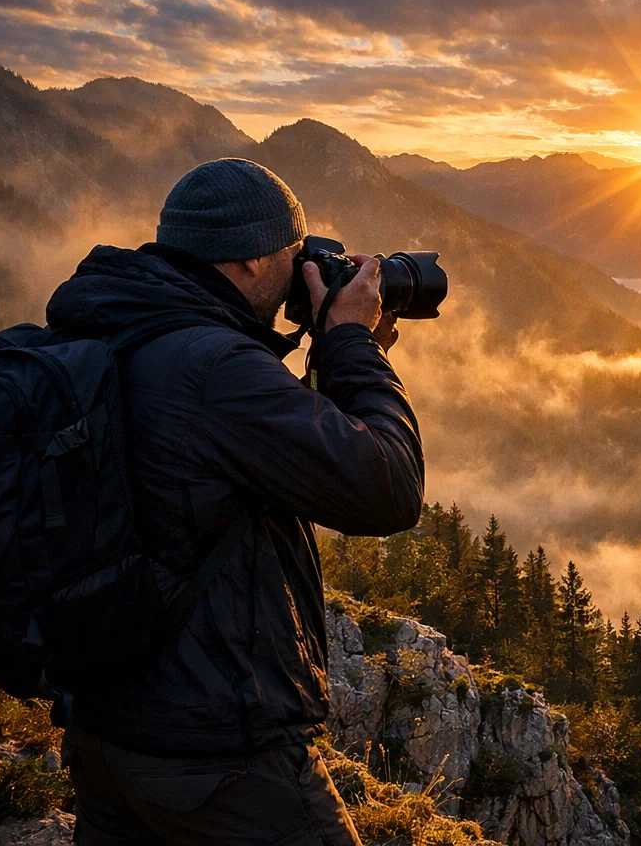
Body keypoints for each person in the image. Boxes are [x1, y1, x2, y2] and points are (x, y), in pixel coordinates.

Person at [47, 158, 423, 844]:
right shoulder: (212, 367)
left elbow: (247, 455)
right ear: (252, 260)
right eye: (293, 252)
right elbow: (388, 488)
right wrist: (353, 346)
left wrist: (332, 356)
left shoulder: (120, 325)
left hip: (106, 733)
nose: (301, 268)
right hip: (216, 751)